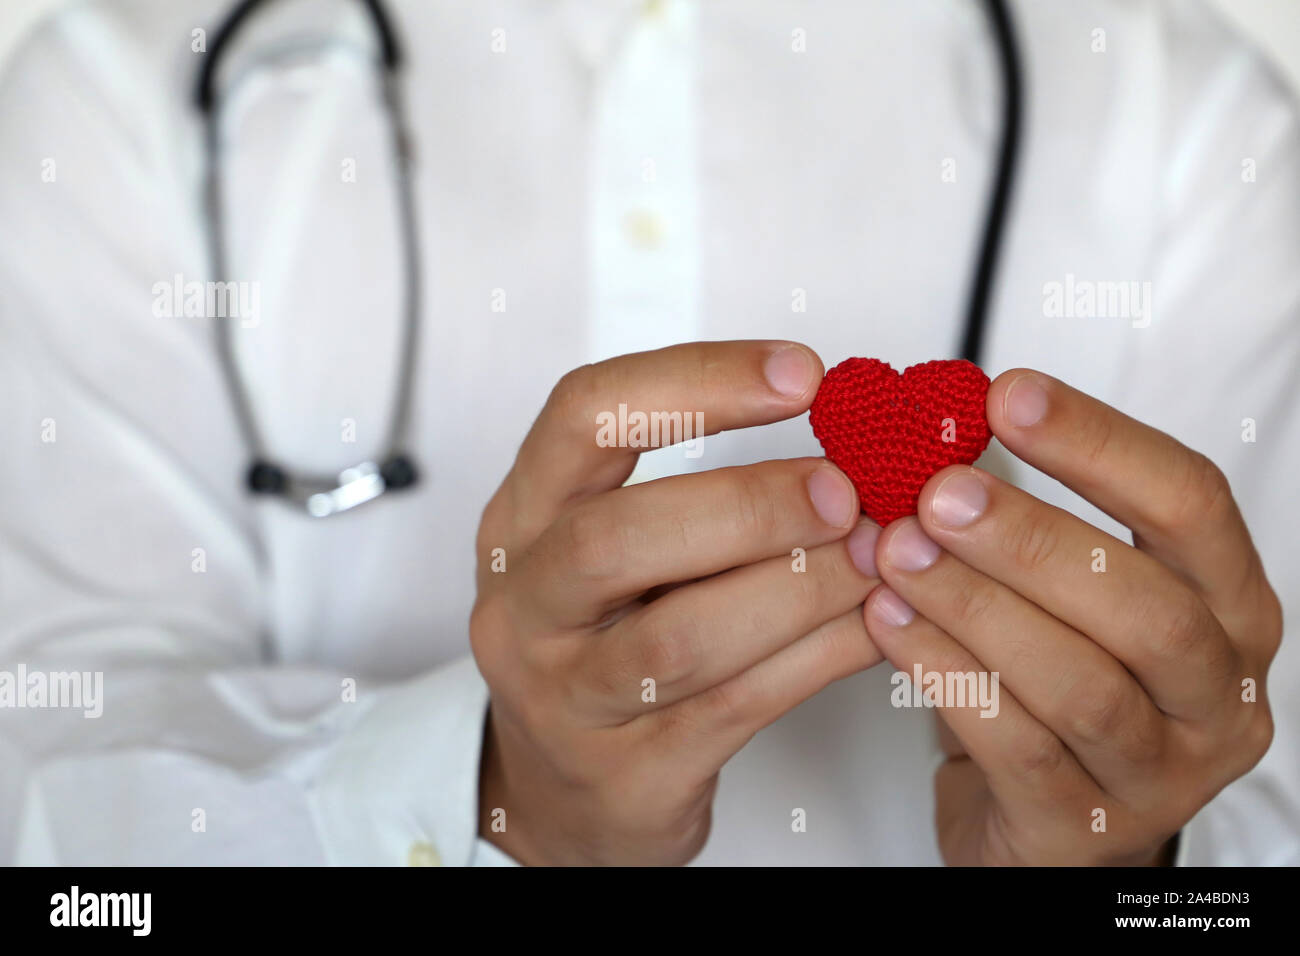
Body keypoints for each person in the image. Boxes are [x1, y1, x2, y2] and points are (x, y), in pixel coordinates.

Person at [0, 0, 1295, 866]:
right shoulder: (123, 93)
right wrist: (488, 799)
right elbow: (52, 806)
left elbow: (1267, 820)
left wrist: (1141, 870)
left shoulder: (1184, 119)